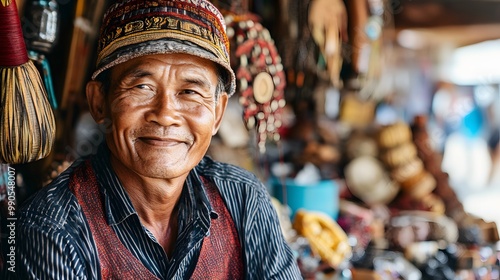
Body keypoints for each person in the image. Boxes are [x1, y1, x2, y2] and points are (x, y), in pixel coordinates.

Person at [14, 0, 302, 279]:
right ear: (99, 102)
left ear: (217, 113)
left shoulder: (243, 198)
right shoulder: (52, 229)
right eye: (142, 86)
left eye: (190, 92)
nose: (165, 115)